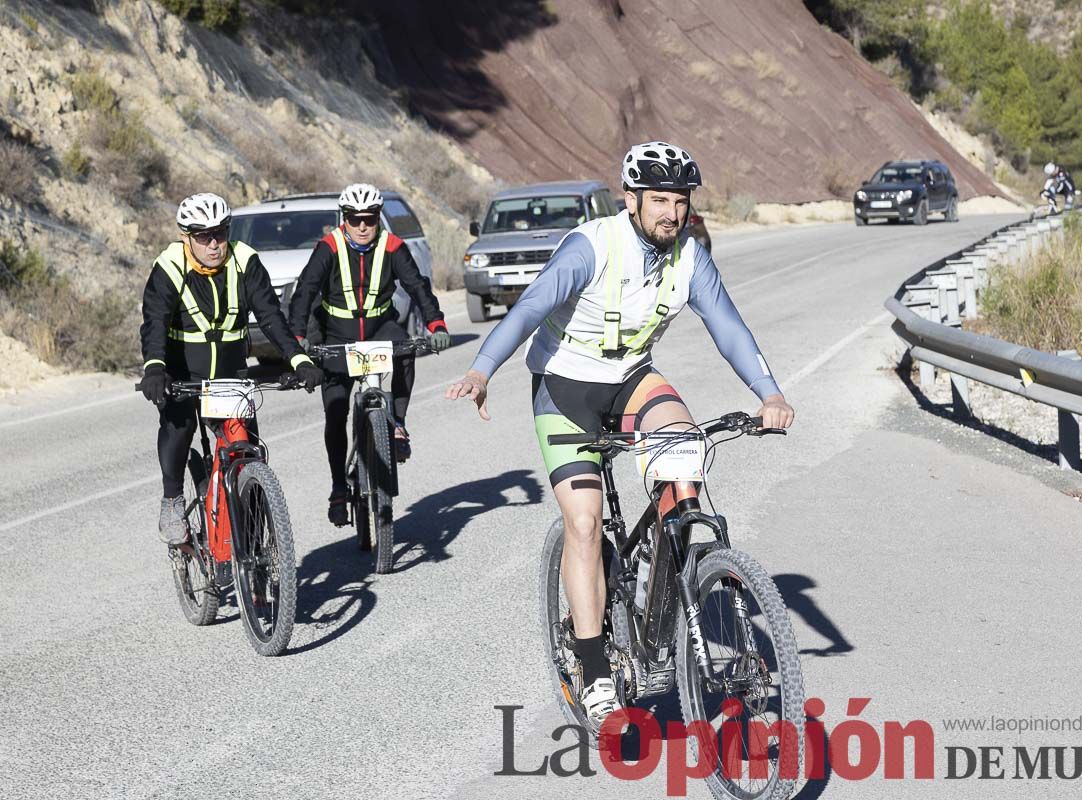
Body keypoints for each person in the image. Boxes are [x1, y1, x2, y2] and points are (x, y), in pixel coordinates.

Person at [446, 142, 794, 729]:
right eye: (659, 199)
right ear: (630, 200)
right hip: (565, 387)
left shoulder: (689, 257)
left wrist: (770, 393)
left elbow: (729, 327)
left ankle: (678, 583)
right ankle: (593, 667)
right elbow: (529, 308)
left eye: (680, 201)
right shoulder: (592, 247)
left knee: (685, 460)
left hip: (631, 377)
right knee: (583, 523)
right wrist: (483, 368)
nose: (672, 213)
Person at [139, 193, 323, 545]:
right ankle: (172, 500)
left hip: (229, 372)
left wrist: (298, 359)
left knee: (246, 448)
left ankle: (253, 551)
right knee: (178, 427)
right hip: (182, 371)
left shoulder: (245, 261)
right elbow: (155, 322)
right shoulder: (169, 266)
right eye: (202, 236)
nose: (213, 244)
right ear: (185, 236)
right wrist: (155, 369)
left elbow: (270, 315)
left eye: (220, 234)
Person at [288, 183, 452, 527]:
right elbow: (305, 291)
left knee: (407, 349)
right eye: (355, 219)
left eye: (370, 219)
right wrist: (299, 336)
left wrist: (436, 324)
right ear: (343, 219)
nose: (363, 226)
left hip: (380, 328)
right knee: (335, 413)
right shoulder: (328, 247)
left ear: (379, 218)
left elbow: (418, 286)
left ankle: (399, 425)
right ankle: (337, 487)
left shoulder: (392, 246)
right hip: (336, 336)